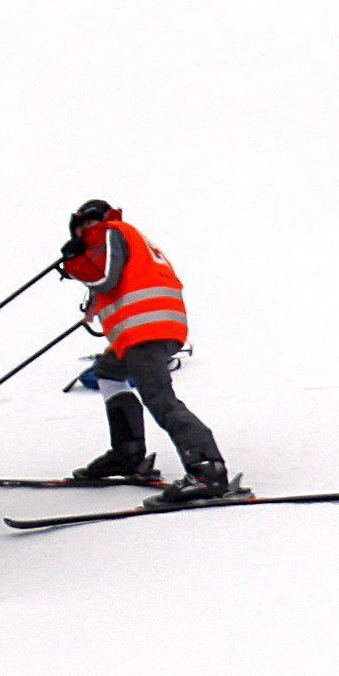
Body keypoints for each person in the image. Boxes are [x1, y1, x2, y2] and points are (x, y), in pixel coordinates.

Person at [59, 200, 230, 502]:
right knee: (109, 372)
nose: (85, 233)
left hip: (146, 328)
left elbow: (106, 280)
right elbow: (109, 285)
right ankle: (127, 452)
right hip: (147, 328)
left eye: (86, 227)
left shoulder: (112, 231)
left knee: (158, 396)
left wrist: (75, 266)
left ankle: (207, 469)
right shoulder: (129, 239)